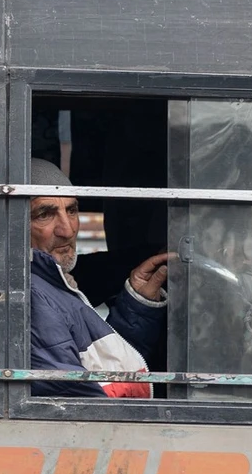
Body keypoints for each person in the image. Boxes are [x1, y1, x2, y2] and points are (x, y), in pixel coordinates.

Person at [21, 159, 168, 398]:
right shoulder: (30, 297)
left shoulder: (54, 286)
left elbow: (106, 375)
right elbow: (84, 408)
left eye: (71, 210)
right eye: (44, 214)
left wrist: (138, 304)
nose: (67, 230)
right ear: (11, 225)